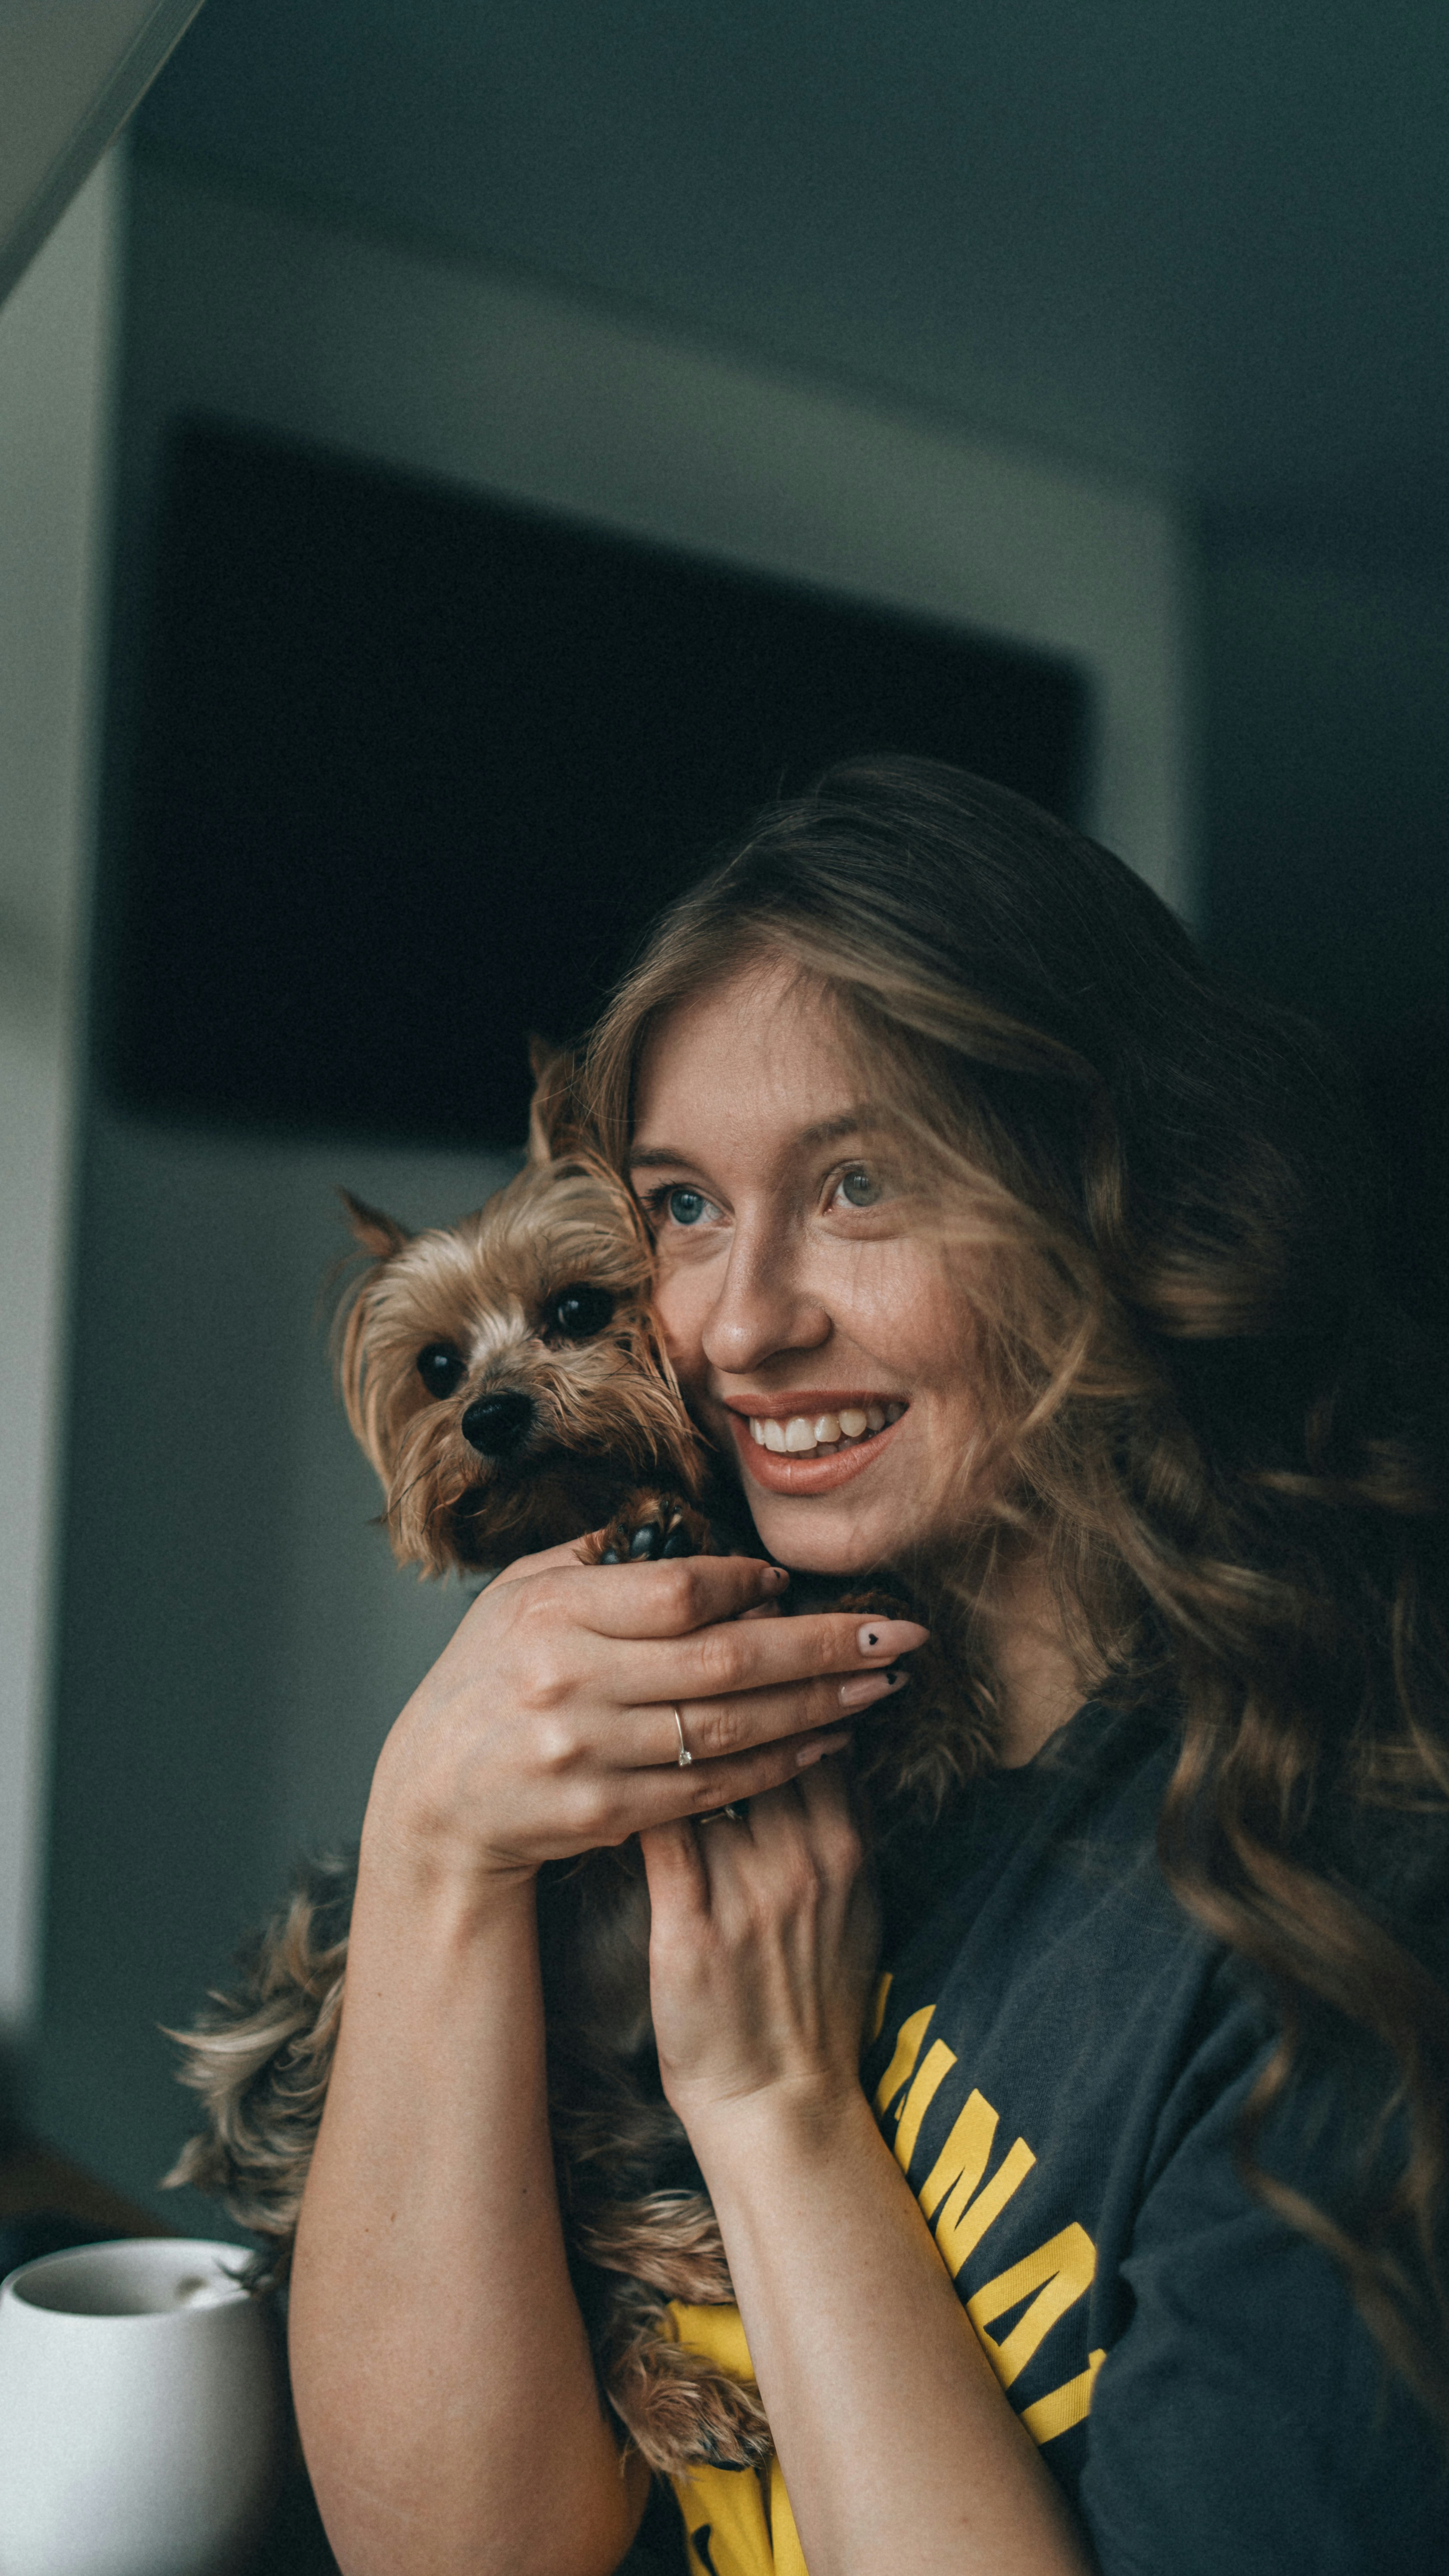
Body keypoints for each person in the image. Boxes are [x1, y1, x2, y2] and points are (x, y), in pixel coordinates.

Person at [288, 756, 1449, 2576]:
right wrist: (432, 1830)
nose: (744, 1323)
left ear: (1131, 1199)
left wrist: (780, 2115)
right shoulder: (729, 1721)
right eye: (682, 1207)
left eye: (859, 1185)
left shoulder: (1351, 1902)